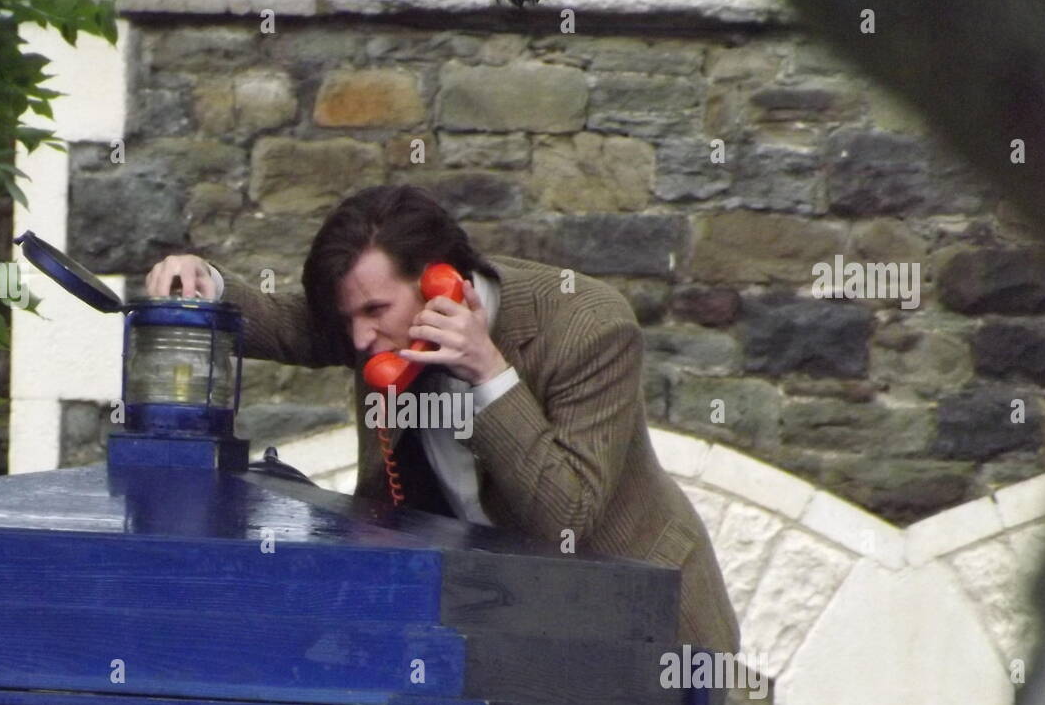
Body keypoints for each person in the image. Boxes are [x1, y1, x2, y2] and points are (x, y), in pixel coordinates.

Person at [145, 185, 739, 654]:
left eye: (376, 310)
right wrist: (203, 283)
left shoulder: (588, 328)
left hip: (643, 623)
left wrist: (488, 374)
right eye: (348, 316)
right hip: (493, 623)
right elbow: (285, 320)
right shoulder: (371, 327)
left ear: (442, 283)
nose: (360, 339)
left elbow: (568, 515)